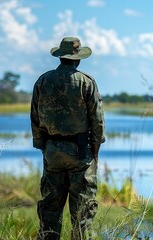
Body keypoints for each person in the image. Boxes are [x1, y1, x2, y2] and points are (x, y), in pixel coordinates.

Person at [31, 37, 105, 240]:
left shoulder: (43, 80)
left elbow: (35, 116)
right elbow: (97, 120)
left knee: (50, 209)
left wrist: (42, 145)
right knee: (83, 211)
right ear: (77, 59)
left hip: (52, 150)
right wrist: (95, 151)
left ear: (60, 58)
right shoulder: (86, 82)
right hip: (81, 152)